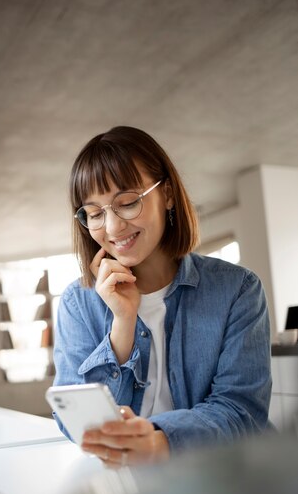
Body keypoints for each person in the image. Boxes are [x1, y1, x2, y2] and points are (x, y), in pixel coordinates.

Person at [52, 126, 272, 467]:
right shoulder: (77, 303)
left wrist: (159, 440)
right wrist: (122, 325)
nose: (111, 228)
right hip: (131, 487)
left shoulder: (238, 290)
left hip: (224, 481)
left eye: (126, 203)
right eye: (94, 214)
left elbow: (242, 411)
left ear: (167, 194)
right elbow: (76, 421)